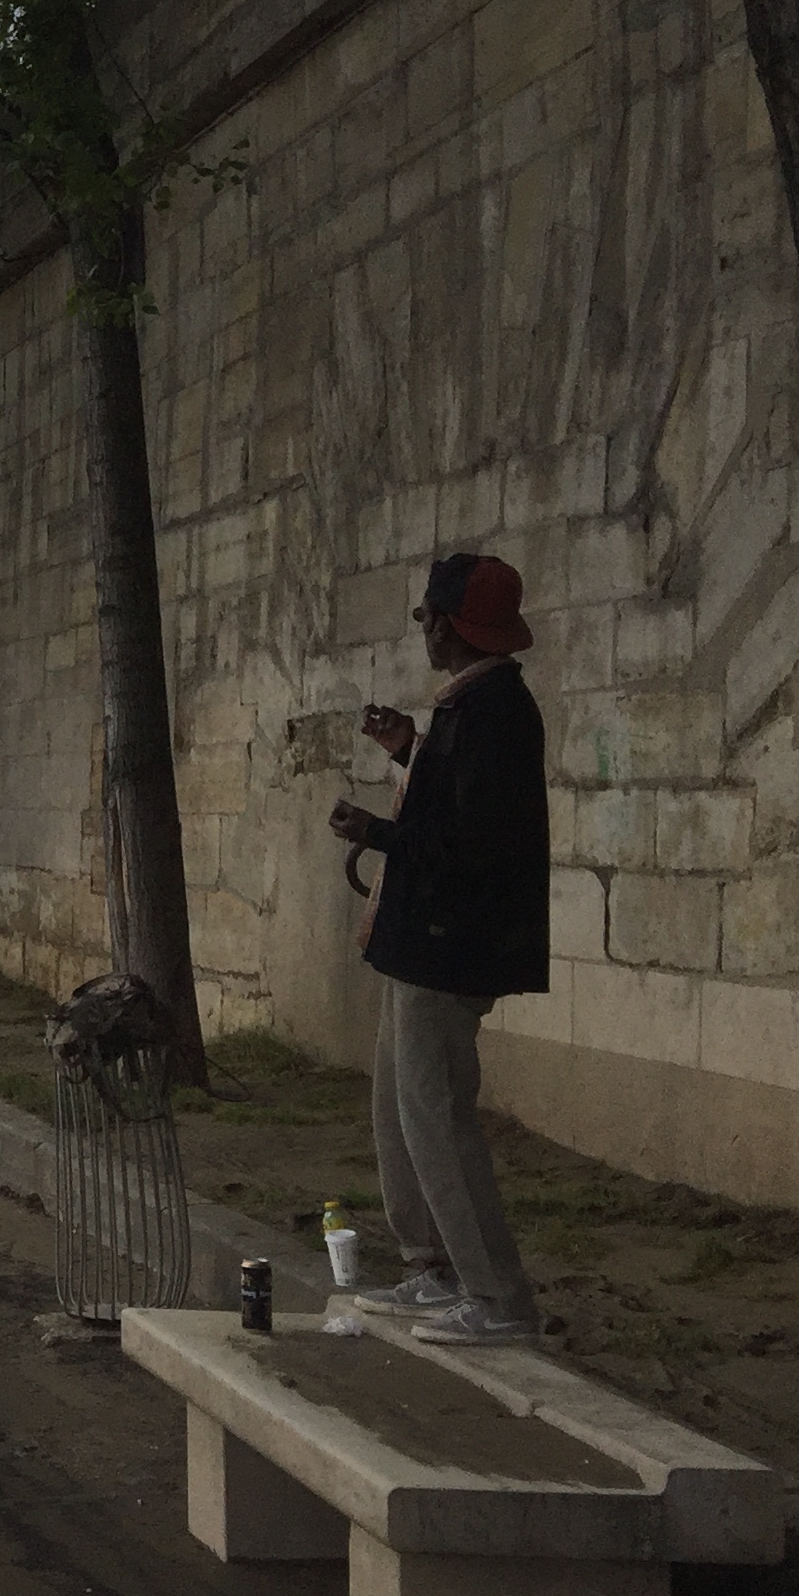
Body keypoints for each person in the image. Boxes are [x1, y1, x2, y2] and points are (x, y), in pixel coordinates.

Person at [326, 552, 550, 1345]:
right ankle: (437, 1269)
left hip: (449, 946)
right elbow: (459, 801)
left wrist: (379, 830)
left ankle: (499, 1299)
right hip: (422, 942)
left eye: (426, 615)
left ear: (451, 624)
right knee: (398, 1109)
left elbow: (475, 840)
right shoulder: (470, 707)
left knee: (437, 1117)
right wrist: (407, 751)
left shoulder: (494, 711)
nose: (419, 627)